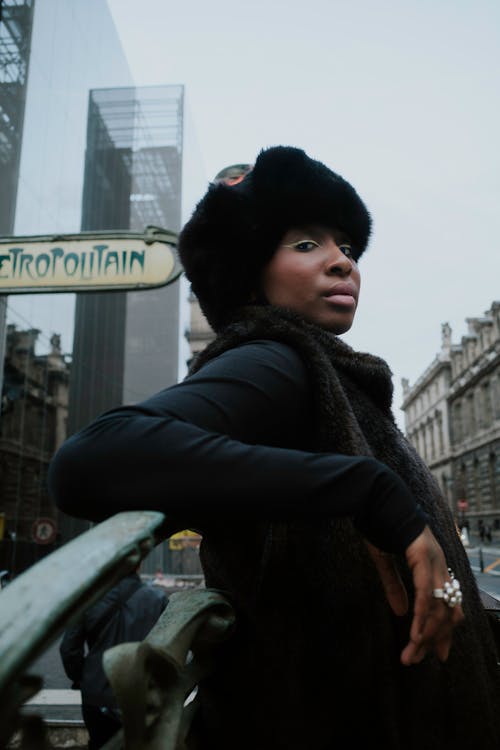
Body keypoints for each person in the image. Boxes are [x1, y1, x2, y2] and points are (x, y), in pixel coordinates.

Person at [48, 146, 500, 749]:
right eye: (308, 245)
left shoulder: (337, 377)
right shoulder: (277, 359)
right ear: (251, 273)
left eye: (347, 246)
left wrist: (450, 598)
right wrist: (367, 489)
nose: (343, 262)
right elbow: (90, 460)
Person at [59, 567, 167, 749]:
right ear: (139, 565)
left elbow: (69, 649)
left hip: (96, 695)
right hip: (141, 693)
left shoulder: (88, 601)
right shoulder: (158, 599)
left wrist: (82, 677)